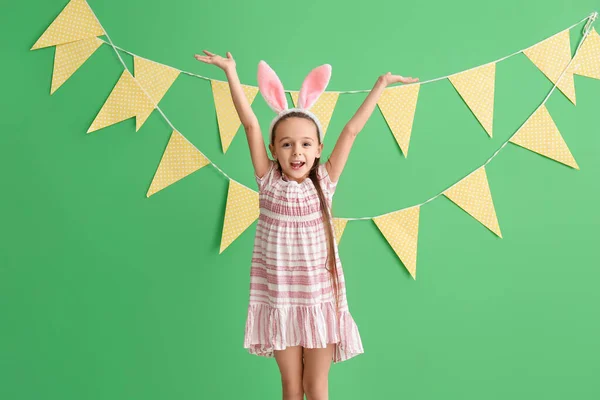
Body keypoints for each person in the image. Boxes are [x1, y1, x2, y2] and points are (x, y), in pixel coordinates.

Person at [195, 50, 418, 400]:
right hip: (281, 299)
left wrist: (381, 85)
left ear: (317, 150)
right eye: (286, 144)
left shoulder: (325, 182)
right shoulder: (267, 180)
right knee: (291, 387)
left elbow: (352, 130)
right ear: (273, 149)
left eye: (305, 144)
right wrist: (231, 72)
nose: (296, 152)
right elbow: (251, 123)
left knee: (316, 387)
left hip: (320, 301)